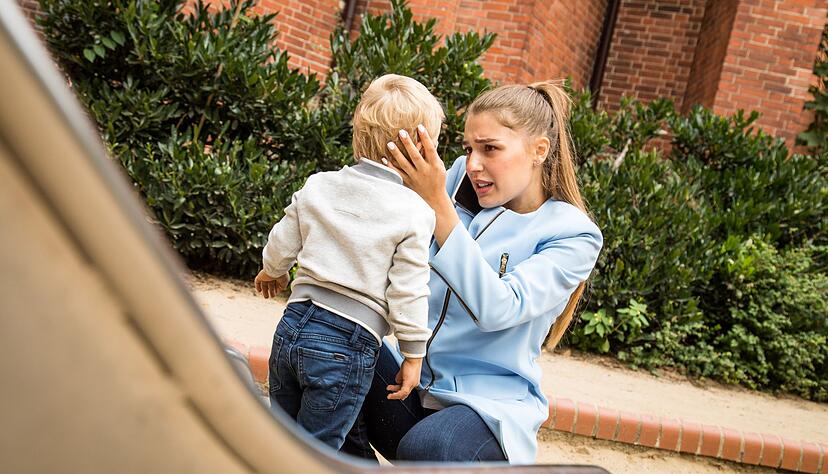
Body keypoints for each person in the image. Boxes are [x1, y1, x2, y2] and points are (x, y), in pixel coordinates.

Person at [341, 80, 603, 464]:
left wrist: (440, 208)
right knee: (329, 353)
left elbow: (499, 308)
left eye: (491, 148)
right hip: (412, 385)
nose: (474, 163)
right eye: (469, 149)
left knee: (430, 448)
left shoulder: (573, 234)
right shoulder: (458, 179)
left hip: (486, 412)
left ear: (539, 151)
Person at [253, 74, 444, 450]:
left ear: (357, 135)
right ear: (419, 151)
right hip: (346, 341)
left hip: (291, 327)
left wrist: (271, 270)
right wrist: (412, 354)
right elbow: (407, 289)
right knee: (319, 453)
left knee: (281, 439)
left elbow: (283, 238)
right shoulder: (415, 212)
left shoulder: (320, 184)